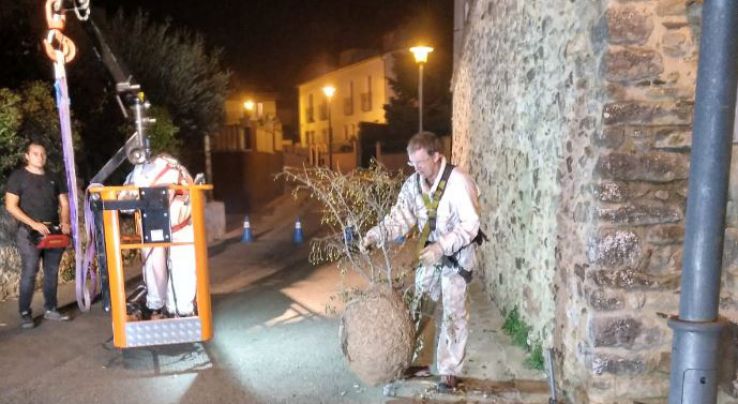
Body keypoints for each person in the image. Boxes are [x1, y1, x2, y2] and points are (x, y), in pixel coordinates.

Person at [361, 131, 481, 392]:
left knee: (453, 313)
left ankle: (449, 371)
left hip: (457, 258)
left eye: (420, 163)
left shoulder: (459, 183)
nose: (415, 169)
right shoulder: (413, 185)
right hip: (430, 255)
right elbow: (399, 218)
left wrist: (442, 246)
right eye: (411, 164)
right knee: (421, 307)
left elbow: (471, 225)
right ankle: (420, 361)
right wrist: (374, 235)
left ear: (437, 157)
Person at [5, 140, 71, 329]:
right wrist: (34, 224)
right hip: (28, 233)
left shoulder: (54, 177)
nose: (40, 157)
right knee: (30, 272)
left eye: (42, 154)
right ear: (27, 156)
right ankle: (25, 313)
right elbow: (11, 206)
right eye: (35, 154)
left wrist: (65, 222)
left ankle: (51, 309)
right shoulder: (18, 177)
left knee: (51, 272)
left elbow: (64, 203)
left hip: (53, 233)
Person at [123, 153, 197, 319]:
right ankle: (174, 308)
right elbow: (124, 201)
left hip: (176, 226)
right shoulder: (140, 172)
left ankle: (169, 307)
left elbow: (125, 203)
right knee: (159, 266)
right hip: (162, 226)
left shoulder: (173, 170)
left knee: (175, 266)